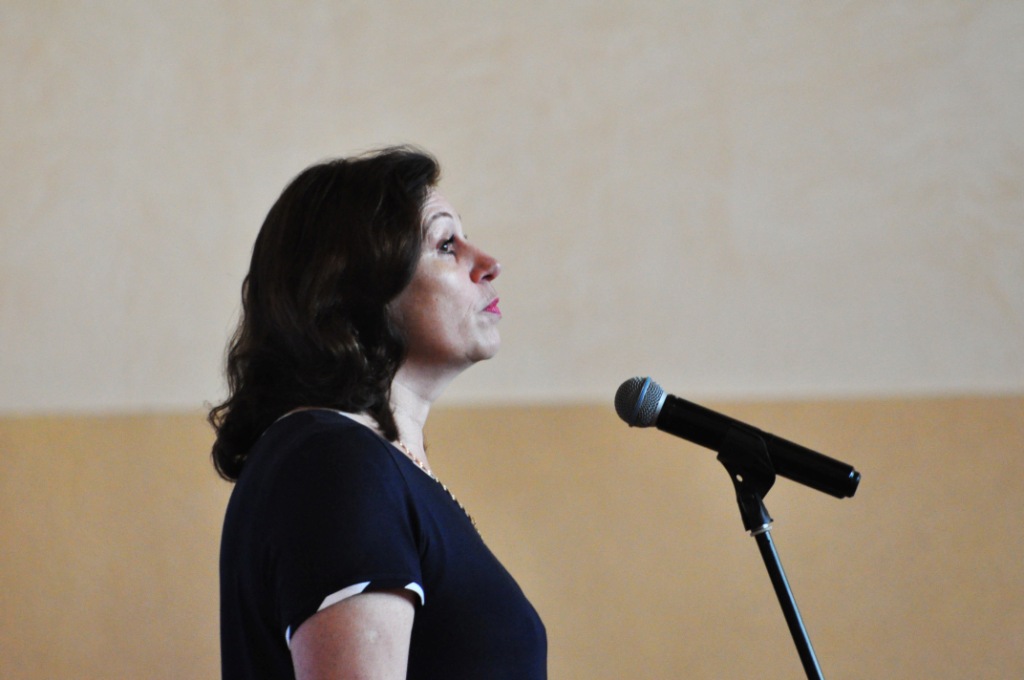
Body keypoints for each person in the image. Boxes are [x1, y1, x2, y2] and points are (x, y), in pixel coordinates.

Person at [210, 146, 547, 679]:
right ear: (357, 286)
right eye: (445, 244)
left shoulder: (365, 463)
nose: (488, 264)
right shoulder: (335, 464)